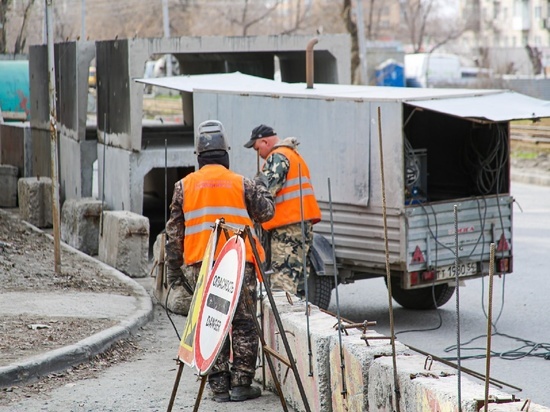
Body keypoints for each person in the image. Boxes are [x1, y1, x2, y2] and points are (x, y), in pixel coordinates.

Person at [165, 120, 275, 402]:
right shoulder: (242, 183)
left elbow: (173, 233)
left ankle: (218, 387)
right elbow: (267, 213)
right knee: (244, 323)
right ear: (225, 153)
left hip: (201, 267)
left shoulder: (183, 186)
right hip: (239, 264)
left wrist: (174, 271)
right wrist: (262, 186)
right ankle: (241, 383)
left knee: (210, 322)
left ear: (199, 157)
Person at [244, 124, 321, 297]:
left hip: (287, 231)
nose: (259, 154)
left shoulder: (277, 157)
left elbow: (264, 194)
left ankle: (284, 322)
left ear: (264, 141)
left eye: (257, 149)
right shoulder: (293, 155)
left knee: (282, 285)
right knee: (298, 283)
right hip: (301, 227)